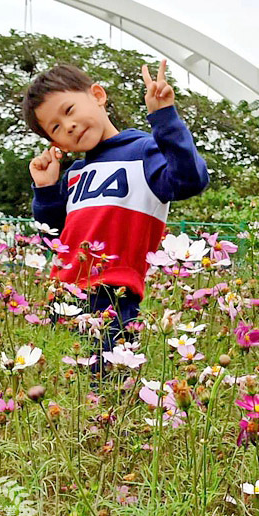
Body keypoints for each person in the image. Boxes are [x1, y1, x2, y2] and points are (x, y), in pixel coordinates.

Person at [24, 60, 208, 369]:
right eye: (55, 127)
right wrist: (45, 192)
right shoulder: (74, 174)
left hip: (114, 297)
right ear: (55, 143)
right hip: (62, 299)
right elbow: (56, 244)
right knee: (66, 393)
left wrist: (164, 118)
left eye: (69, 111)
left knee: (107, 388)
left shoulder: (144, 151)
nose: (67, 126)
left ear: (97, 95)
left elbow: (190, 180)